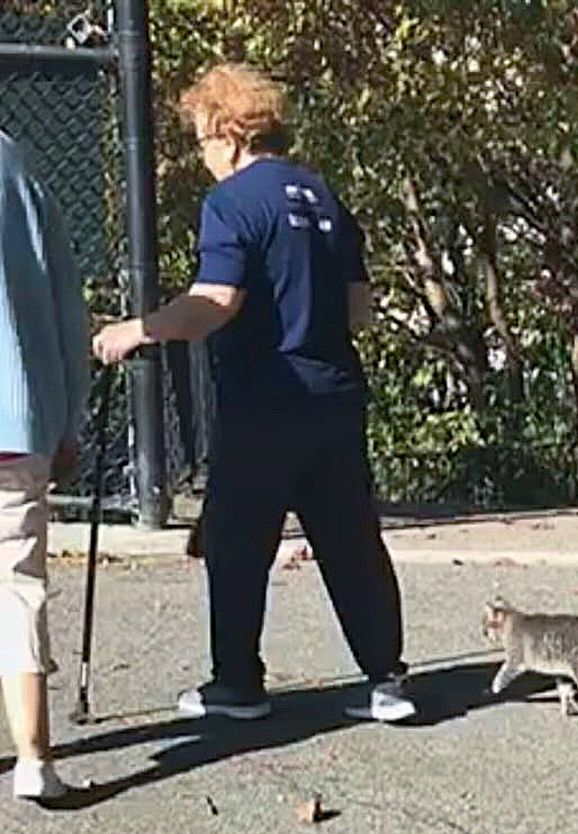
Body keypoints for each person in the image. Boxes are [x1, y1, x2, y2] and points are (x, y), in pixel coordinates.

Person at [92, 63, 415, 724]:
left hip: (264, 399)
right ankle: (386, 679)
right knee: (352, 540)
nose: (202, 153)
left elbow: (215, 303)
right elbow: (360, 310)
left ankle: (237, 683)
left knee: (238, 542)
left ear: (227, 131)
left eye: (203, 138)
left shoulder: (232, 204)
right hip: (335, 393)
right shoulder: (324, 196)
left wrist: (137, 330)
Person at [0, 129, 89, 799]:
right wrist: (67, 418)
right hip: (16, 408)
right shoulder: (17, 163)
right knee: (17, 582)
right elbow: (64, 299)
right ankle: (34, 758)